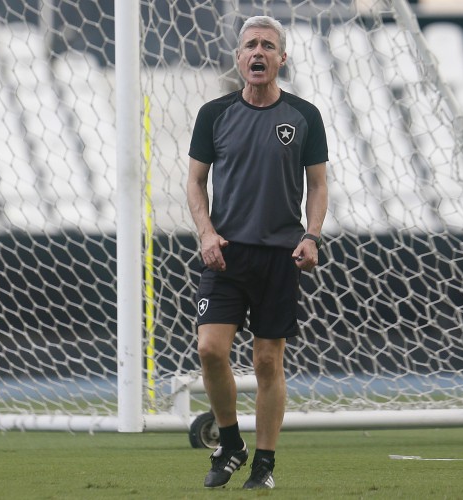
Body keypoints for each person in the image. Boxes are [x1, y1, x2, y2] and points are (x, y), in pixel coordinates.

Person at [186, 15, 329, 490]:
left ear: (282, 58)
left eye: (268, 45)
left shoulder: (304, 116)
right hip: (225, 253)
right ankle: (230, 444)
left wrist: (311, 235)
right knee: (209, 349)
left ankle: (264, 465)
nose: (259, 52)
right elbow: (195, 180)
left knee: (268, 361)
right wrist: (206, 233)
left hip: (279, 257)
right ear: (239, 57)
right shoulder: (214, 113)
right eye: (251, 45)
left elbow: (319, 183)